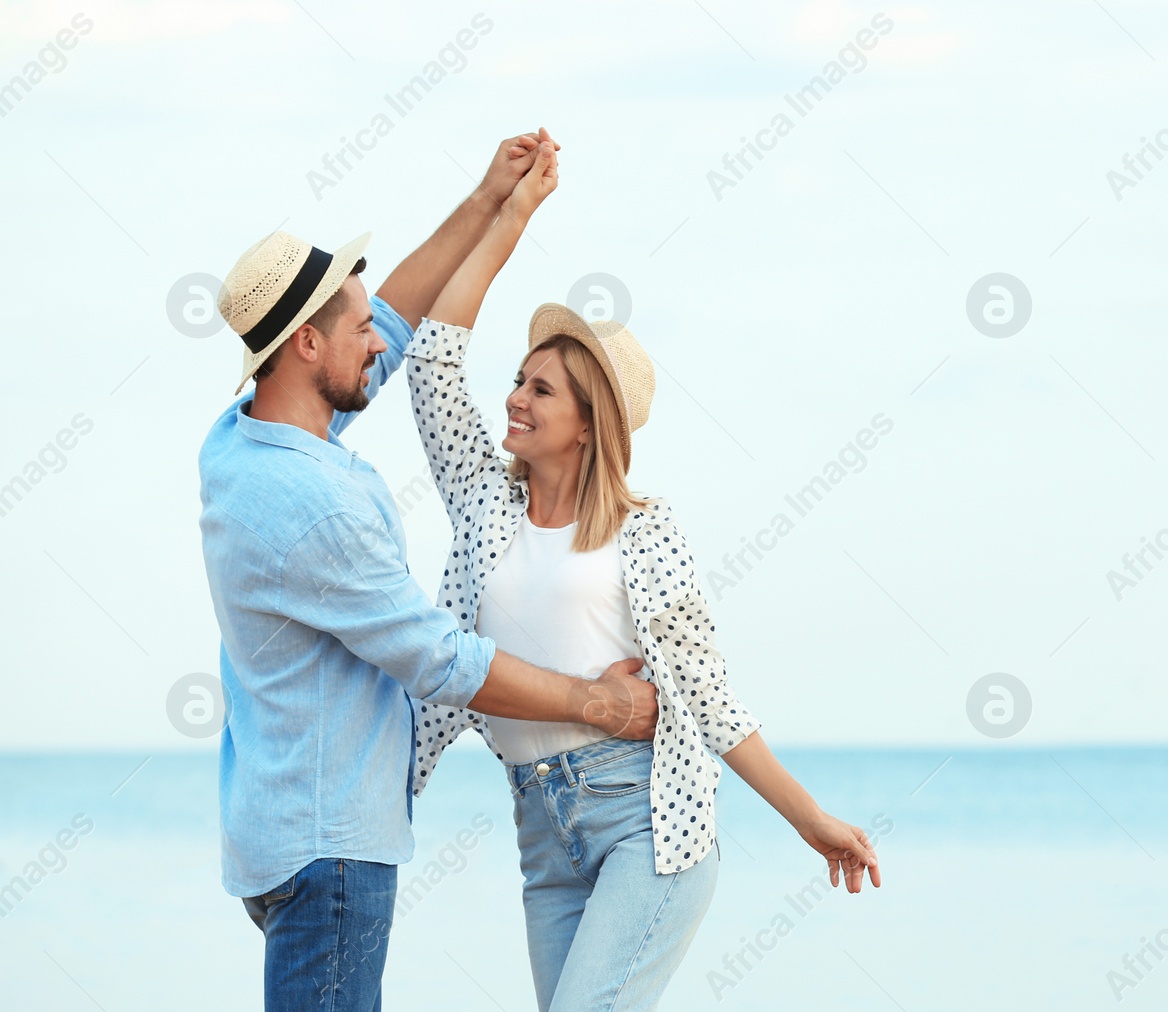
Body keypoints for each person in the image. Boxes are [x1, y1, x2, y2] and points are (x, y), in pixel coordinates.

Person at [404, 131, 882, 1011]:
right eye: (518, 378)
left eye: (542, 389)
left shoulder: (645, 533)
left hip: (647, 829)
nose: (515, 396)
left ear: (589, 424)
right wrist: (509, 216)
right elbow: (432, 365)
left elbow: (708, 698)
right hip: (540, 832)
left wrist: (811, 821)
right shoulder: (482, 502)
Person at [197, 132, 658, 1012]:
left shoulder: (246, 439)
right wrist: (600, 702)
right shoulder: (322, 502)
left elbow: (405, 328)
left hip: (285, 824)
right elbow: (440, 660)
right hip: (331, 845)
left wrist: (494, 200)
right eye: (358, 328)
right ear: (303, 346)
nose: (380, 341)